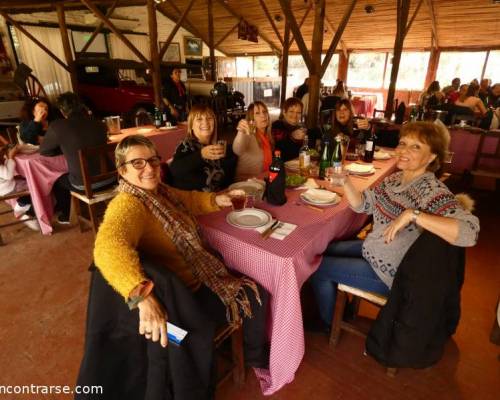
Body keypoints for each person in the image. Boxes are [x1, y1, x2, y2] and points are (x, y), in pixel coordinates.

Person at [82, 135, 268, 396]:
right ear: (122, 171)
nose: (148, 168)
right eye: (137, 163)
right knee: (256, 292)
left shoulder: (159, 192)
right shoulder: (127, 204)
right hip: (186, 299)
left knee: (245, 278)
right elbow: (107, 247)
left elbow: (188, 200)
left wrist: (218, 200)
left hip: (189, 281)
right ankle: (255, 359)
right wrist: (141, 297)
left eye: (153, 160)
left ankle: (248, 352)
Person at [310, 121, 479, 329]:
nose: (404, 151)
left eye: (416, 146)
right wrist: (345, 181)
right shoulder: (395, 179)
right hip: (375, 249)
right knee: (323, 249)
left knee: (319, 267)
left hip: (392, 273)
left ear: (433, 156)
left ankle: (328, 323)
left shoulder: (431, 191)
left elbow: (469, 232)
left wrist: (413, 214)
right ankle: (340, 306)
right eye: (403, 143)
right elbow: (364, 205)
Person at [39, 92, 114, 224]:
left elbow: (44, 150)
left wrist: (64, 148)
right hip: (112, 179)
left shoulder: (58, 126)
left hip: (84, 186)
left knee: (58, 179)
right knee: (78, 174)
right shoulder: (99, 123)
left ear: (62, 111)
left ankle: (66, 215)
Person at [168, 104, 237, 191]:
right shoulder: (186, 146)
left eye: (209, 118)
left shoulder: (220, 146)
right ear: (191, 126)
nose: (205, 122)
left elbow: (227, 177)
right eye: (199, 119)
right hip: (193, 200)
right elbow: (174, 170)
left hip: (218, 197)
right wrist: (201, 155)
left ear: (214, 123)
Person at [0, 143, 39, 230]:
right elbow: (8, 175)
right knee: (36, 186)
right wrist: (10, 157)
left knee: (29, 182)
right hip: (8, 189)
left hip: (5, 187)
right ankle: (21, 207)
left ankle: (25, 206)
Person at [233, 101, 274, 180]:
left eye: (264, 111)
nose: (263, 115)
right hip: (245, 184)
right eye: (257, 113)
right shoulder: (249, 134)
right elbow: (237, 149)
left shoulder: (267, 136)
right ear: (251, 118)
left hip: (262, 180)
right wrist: (241, 132)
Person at [271, 97, 308, 162]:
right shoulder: (277, 125)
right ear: (284, 112)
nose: (295, 115)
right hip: (281, 166)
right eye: (291, 111)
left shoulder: (300, 128)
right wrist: (292, 136)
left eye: (298, 112)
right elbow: (279, 144)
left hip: (297, 165)